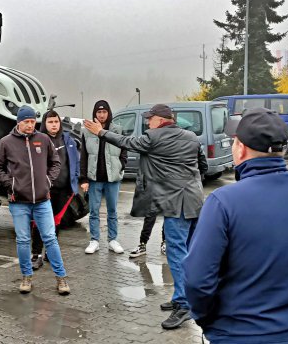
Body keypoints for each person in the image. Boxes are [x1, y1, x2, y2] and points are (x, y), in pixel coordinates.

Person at [184, 108, 288, 344]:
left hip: (237, 335)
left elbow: (197, 280)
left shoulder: (222, 202)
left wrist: (207, 321)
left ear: (241, 148)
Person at [83, 103, 204, 330]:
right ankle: (180, 298)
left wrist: (100, 132)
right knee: (188, 252)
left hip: (175, 204)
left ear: (160, 119)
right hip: (195, 201)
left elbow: (127, 142)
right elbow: (202, 165)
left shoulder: (154, 137)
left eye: (150, 119)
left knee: (178, 255)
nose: (148, 122)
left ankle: (185, 305)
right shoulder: (191, 136)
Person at [0, 105, 70, 295]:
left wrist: (48, 180)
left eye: (33, 121)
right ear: (19, 122)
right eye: (27, 121)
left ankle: (61, 278)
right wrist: (11, 184)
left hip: (42, 201)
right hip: (19, 202)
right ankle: (26, 276)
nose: (30, 125)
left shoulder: (43, 140)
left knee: (50, 239)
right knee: (23, 240)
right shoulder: (5, 143)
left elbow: (56, 162)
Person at [129, 143, 207, 258]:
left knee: (166, 215)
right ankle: (144, 244)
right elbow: (203, 166)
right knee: (153, 216)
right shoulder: (160, 142)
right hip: (160, 186)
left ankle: (161, 243)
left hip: (171, 187)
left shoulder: (175, 144)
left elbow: (203, 165)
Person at [30, 110, 80, 270]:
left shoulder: (68, 140)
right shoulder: (37, 140)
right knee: (39, 223)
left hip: (64, 190)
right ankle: (36, 254)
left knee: (56, 222)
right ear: (44, 124)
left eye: (56, 122)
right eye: (50, 122)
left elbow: (75, 161)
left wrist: (76, 179)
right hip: (44, 191)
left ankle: (50, 253)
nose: (54, 125)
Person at [80, 100, 127, 255]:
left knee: (112, 211)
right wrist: (84, 178)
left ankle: (113, 240)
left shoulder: (117, 130)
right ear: (95, 113)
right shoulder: (87, 131)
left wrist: (120, 167)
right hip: (94, 178)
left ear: (109, 113)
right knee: (94, 211)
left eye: (104, 112)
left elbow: (124, 151)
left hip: (112, 179)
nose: (101, 115)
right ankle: (94, 240)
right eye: (98, 112)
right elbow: (84, 156)